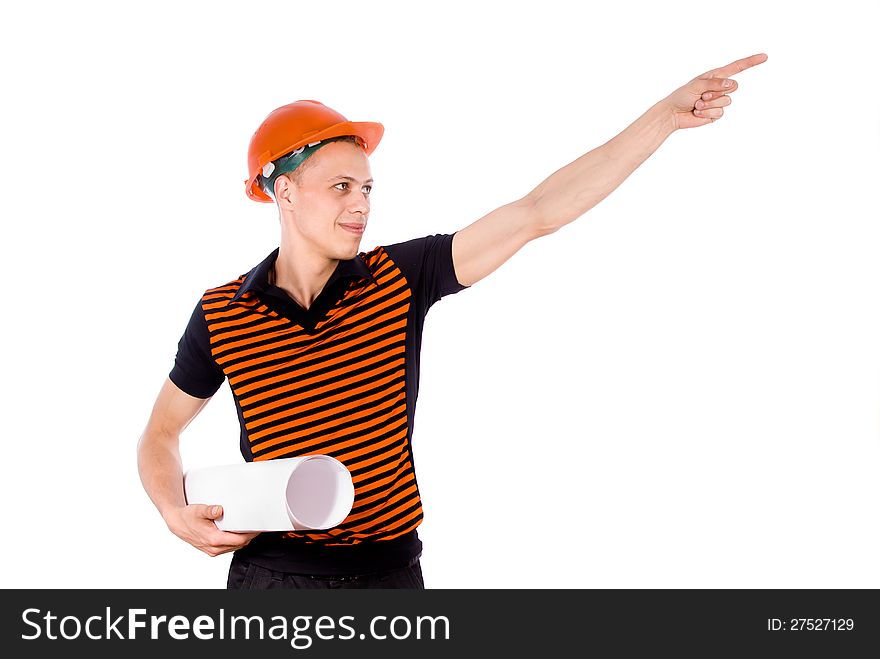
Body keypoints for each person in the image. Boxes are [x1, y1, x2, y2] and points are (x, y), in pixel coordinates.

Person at [137, 53, 768, 589]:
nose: (362, 205)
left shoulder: (401, 276)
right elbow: (160, 434)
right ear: (283, 192)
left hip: (391, 575)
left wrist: (662, 118)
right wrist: (173, 509)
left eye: (367, 188)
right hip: (274, 580)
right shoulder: (222, 312)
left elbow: (536, 212)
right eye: (341, 188)